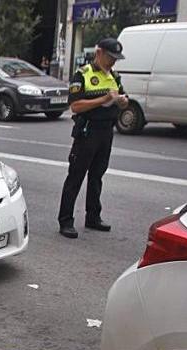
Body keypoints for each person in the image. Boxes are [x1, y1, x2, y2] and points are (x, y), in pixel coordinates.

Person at [57, 37, 129, 239]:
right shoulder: (82, 75)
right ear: (99, 53)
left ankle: (93, 216)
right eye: (110, 57)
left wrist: (123, 102)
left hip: (107, 131)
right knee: (76, 176)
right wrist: (103, 99)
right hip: (88, 131)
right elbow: (76, 106)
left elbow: (123, 99)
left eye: (116, 58)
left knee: (97, 176)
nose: (113, 61)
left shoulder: (114, 76)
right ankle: (66, 220)